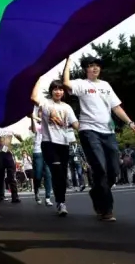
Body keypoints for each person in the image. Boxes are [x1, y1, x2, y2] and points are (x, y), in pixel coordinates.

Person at [63, 55, 135, 222]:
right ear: (86, 69)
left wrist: (130, 122)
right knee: (101, 169)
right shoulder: (82, 84)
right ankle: (107, 209)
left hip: (108, 132)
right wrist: (68, 62)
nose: (95, 68)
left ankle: (96, 191)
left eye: (97, 65)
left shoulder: (105, 86)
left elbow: (116, 107)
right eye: (91, 66)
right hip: (89, 131)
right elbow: (67, 83)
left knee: (114, 170)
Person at [31, 78, 79, 215]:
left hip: (63, 144)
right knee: (57, 170)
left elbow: (75, 123)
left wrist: (85, 130)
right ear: (51, 91)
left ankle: (60, 202)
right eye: (55, 89)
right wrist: (39, 78)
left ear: (63, 92)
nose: (58, 92)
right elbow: (34, 97)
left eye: (60, 89)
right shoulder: (46, 103)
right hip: (48, 143)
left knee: (62, 175)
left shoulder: (67, 107)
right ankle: (59, 202)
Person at [29, 110, 54, 206]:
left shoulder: (49, 122)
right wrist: (32, 117)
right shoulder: (36, 124)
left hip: (47, 152)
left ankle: (47, 197)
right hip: (38, 152)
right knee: (38, 175)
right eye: (40, 112)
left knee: (48, 174)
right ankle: (36, 191)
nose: (42, 114)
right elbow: (35, 130)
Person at [0, 128, 23, 203]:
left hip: (8, 153)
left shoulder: (11, 129)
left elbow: (21, 140)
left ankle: (15, 196)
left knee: (11, 176)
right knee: (0, 176)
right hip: (0, 154)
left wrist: (18, 136)